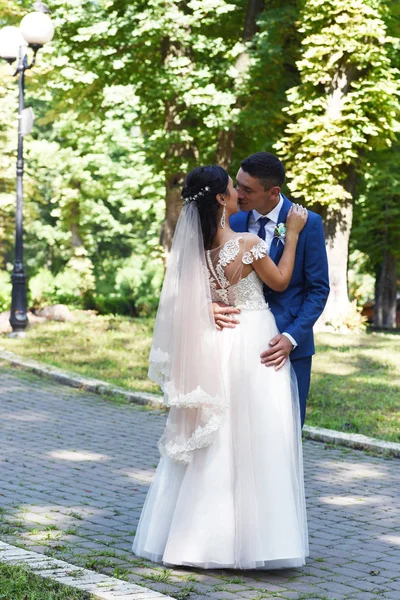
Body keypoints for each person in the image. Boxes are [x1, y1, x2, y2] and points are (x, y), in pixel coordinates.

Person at [133, 165, 309, 569]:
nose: (237, 193)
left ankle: (197, 539)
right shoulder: (247, 243)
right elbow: (281, 281)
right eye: (232, 188)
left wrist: (207, 306)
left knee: (217, 435)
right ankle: (257, 542)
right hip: (253, 341)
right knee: (261, 434)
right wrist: (294, 234)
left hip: (217, 342)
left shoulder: (196, 250)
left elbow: (181, 301)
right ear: (220, 199)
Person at [214, 153, 330, 426]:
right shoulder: (231, 220)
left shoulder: (308, 223)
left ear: (273, 192)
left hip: (285, 347)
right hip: (237, 343)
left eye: (247, 189)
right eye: (238, 185)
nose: (238, 194)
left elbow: (318, 289)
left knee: (284, 433)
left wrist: (292, 336)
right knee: (239, 431)